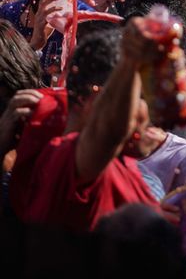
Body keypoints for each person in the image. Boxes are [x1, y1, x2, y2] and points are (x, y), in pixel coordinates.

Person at [8, 24, 160, 233]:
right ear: (97, 98)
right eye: (139, 98)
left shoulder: (115, 161)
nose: (152, 115)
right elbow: (111, 131)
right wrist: (133, 59)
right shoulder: (68, 159)